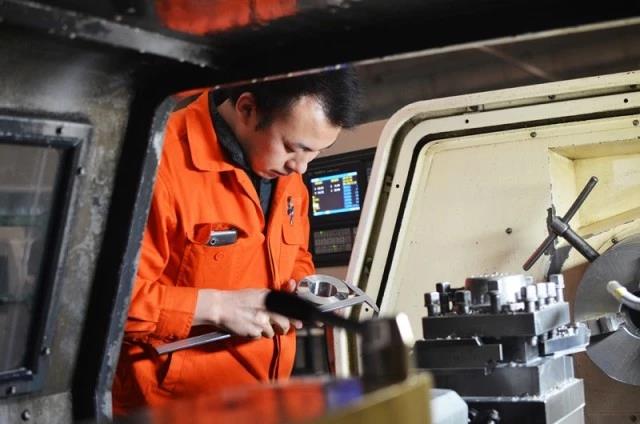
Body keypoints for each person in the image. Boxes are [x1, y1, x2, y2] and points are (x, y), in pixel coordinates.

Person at [112, 68, 360, 414]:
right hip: (174, 411)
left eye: (316, 152)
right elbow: (112, 305)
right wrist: (217, 307)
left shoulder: (287, 175)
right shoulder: (157, 162)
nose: (302, 168)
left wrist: (303, 290)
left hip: (262, 402)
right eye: (294, 148)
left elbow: (296, 255)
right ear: (246, 109)